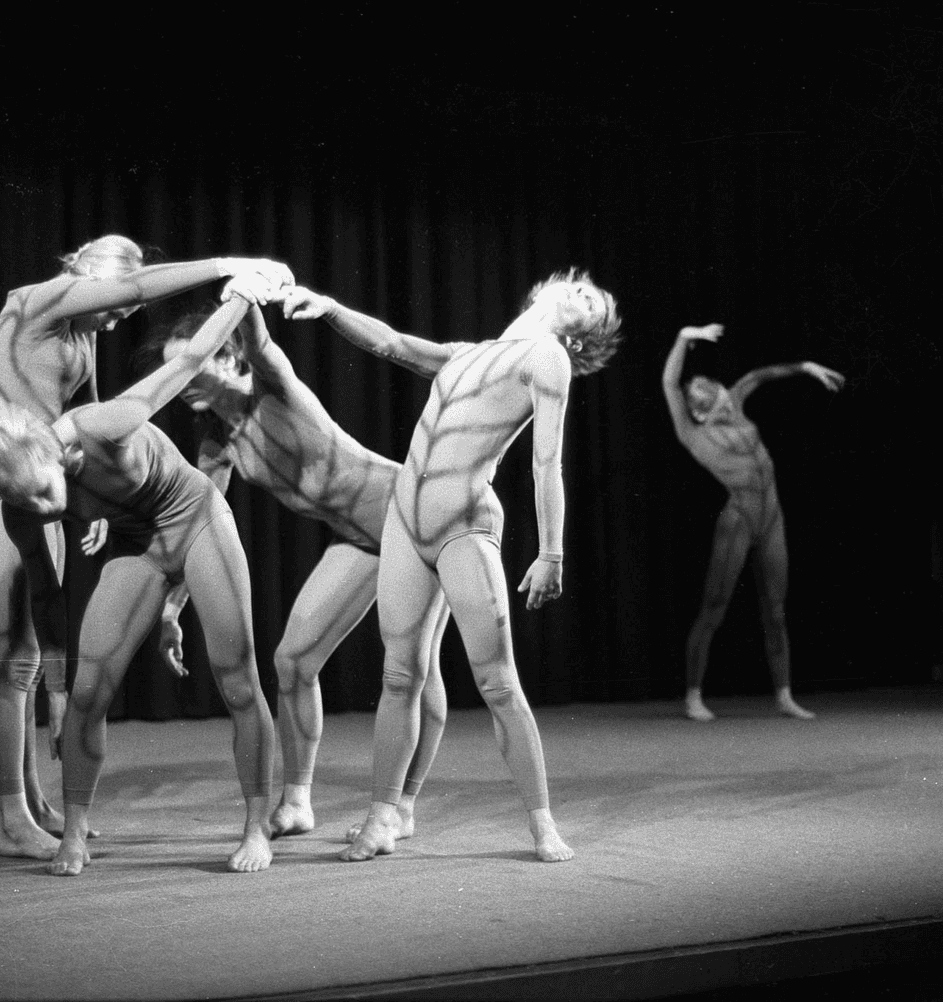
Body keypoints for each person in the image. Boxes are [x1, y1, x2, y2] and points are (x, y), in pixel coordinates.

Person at [0, 233, 292, 860]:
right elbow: (45, 589)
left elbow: (175, 370)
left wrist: (93, 505)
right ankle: (20, 817)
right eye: (112, 304)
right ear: (92, 283)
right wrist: (232, 269)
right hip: (24, 475)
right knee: (29, 658)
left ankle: (250, 825)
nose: (118, 319)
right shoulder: (38, 302)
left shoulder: (85, 361)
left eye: (121, 314)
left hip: (160, 507)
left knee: (236, 674)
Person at [281, 269, 622, 862]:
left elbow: (548, 464)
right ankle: (384, 816)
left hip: (464, 523)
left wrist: (551, 552)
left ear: (579, 337)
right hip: (405, 520)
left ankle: (542, 825)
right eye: (576, 284)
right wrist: (330, 306)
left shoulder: (548, 358)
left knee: (497, 680)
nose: (576, 288)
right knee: (399, 675)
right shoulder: (470, 354)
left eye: (589, 299)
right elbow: (390, 342)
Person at [139, 304, 453, 840]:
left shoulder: (273, 388)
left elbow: (260, 342)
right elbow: (200, 530)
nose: (182, 380)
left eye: (193, 364)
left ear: (228, 355)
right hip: (358, 537)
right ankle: (297, 801)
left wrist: (243, 296)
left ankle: (402, 807)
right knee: (292, 661)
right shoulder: (218, 442)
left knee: (415, 669)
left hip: (412, 517)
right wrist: (171, 609)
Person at [660, 324, 844, 722]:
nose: (730, 407)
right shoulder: (692, 432)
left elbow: (759, 376)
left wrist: (806, 366)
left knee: (776, 610)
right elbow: (670, 383)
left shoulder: (735, 400)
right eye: (722, 407)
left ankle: (784, 695)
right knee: (714, 608)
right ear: (700, 413)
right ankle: (693, 696)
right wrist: (683, 337)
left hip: (772, 516)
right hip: (739, 518)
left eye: (729, 400)